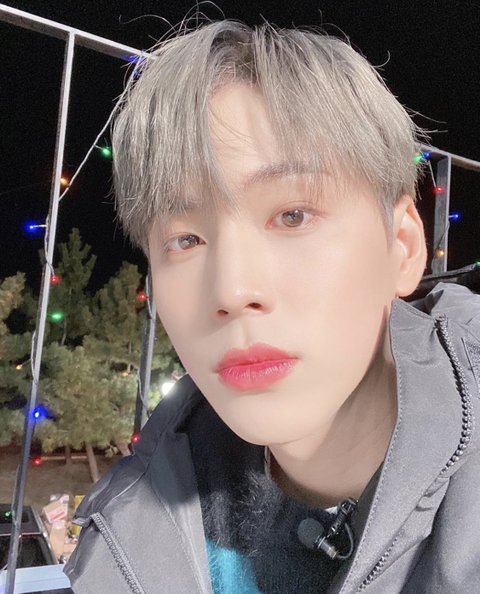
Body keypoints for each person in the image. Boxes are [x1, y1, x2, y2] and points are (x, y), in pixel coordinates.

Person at [64, 21, 480, 593]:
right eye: (185, 239)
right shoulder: (125, 540)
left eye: (292, 215)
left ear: (403, 246)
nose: (232, 291)